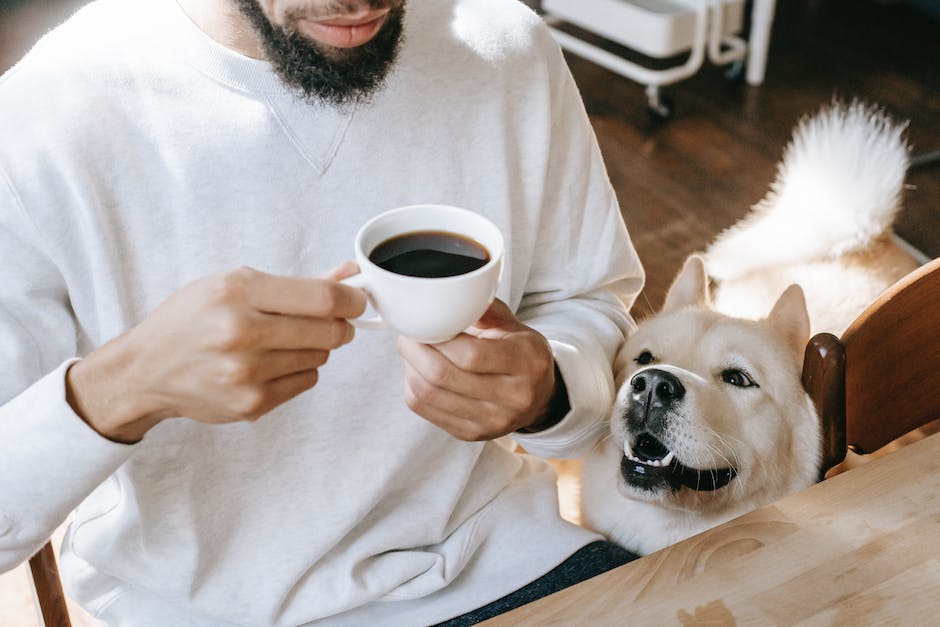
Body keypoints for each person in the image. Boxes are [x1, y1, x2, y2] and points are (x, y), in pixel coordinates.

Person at [0, 0, 645, 624]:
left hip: (497, 561)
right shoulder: (43, 122)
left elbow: (586, 301)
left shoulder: (508, 49)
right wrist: (122, 389)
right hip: (196, 612)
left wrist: (549, 392)